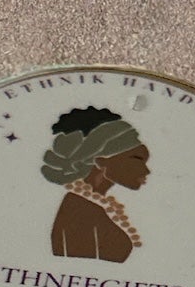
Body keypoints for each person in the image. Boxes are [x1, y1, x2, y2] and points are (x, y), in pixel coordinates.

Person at [41, 106, 151, 261]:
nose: (147, 171)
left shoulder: (91, 205)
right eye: (137, 159)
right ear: (100, 160)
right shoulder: (80, 210)